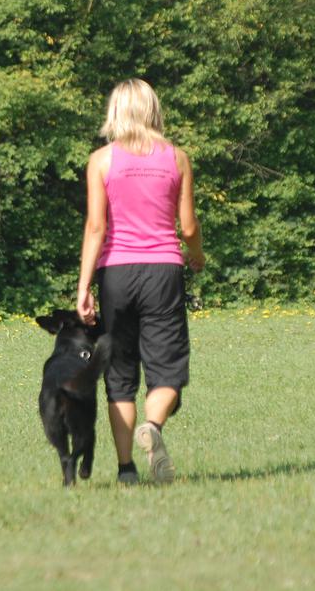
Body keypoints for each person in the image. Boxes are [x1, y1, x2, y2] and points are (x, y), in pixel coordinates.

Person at [76, 79, 205, 485]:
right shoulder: (177, 158)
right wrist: (197, 257)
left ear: (115, 111)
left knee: (119, 376)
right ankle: (154, 426)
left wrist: (83, 287)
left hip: (116, 273)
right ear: (153, 109)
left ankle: (127, 470)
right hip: (163, 271)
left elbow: (96, 227)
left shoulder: (100, 161)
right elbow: (187, 227)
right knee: (167, 372)